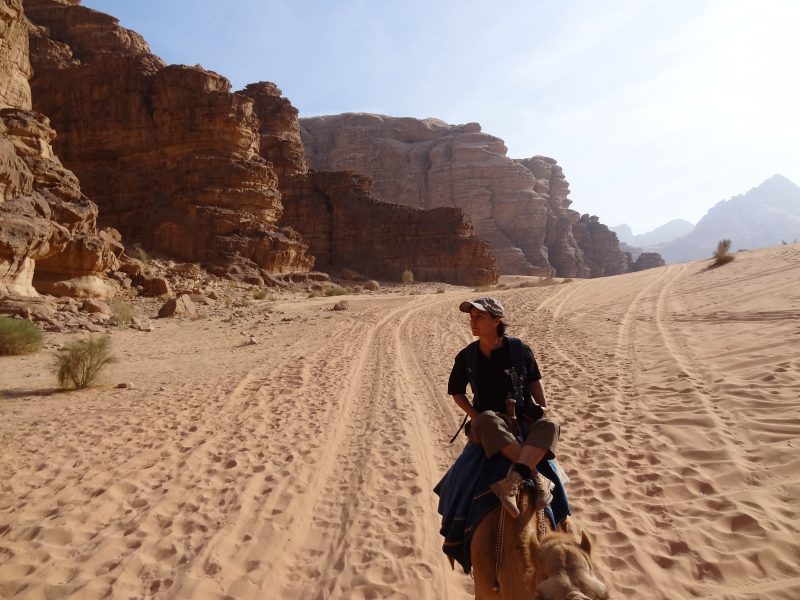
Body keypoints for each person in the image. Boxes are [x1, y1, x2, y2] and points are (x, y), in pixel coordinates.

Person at [447, 296, 560, 519]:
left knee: (551, 425)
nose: (473, 322)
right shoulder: (467, 356)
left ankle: (513, 480)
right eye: (472, 317)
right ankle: (534, 474)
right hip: (489, 425)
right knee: (488, 419)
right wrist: (476, 417)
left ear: (497, 320)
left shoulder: (519, 350)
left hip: (522, 419)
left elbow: (534, 380)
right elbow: (456, 392)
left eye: (480, 317)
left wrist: (542, 407)